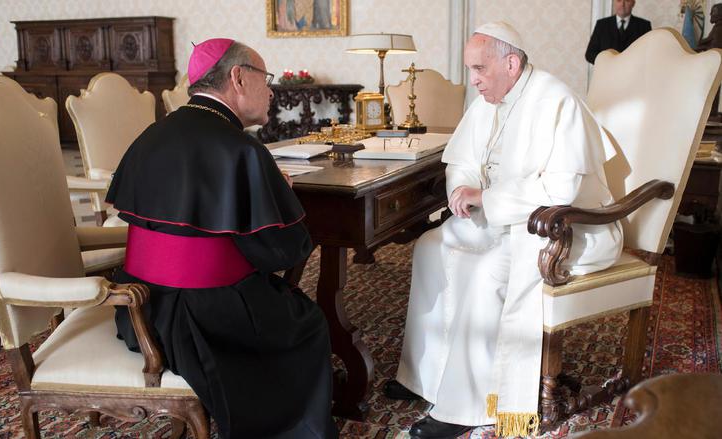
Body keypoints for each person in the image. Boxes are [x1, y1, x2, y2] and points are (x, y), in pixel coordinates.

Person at [383, 22, 623, 438]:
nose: (472, 80)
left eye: (479, 69)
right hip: (510, 218)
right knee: (430, 245)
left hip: (568, 227)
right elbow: (462, 159)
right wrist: (461, 186)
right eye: (470, 70)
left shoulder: (555, 100)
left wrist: (486, 198)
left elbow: (562, 190)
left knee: (485, 272)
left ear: (511, 63)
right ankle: (424, 377)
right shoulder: (489, 100)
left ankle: (467, 408)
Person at [105, 38, 338, 439]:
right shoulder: (239, 149)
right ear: (238, 77)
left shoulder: (152, 135)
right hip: (206, 323)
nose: (271, 90)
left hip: (141, 311)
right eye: (266, 78)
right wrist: (277, 195)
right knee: (308, 323)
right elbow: (282, 252)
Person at [585, 0, 651, 64]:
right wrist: (606, 63)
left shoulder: (644, 26)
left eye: (627, 0)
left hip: (633, 73)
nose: (622, 4)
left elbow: (649, 54)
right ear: (614, 2)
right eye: (619, 0)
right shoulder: (602, 24)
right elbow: (590, 54)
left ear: (633, 3)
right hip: (607, 72)